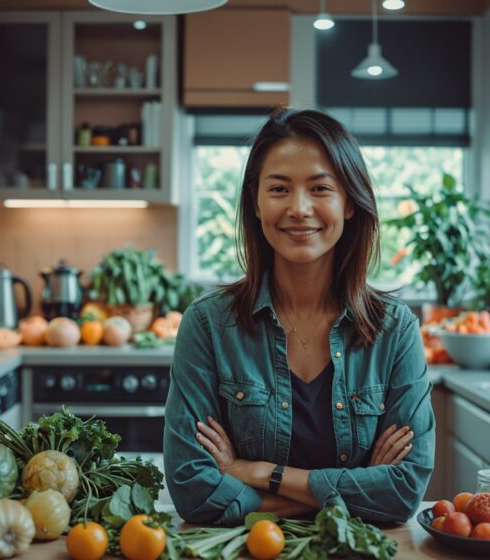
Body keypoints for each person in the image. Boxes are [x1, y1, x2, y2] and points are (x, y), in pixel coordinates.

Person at [163, 108, 435, 526]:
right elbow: (192, 492)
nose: (299, 208)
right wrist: (358, 486)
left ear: (348, 203)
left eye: (320, 188)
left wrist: (256, 474)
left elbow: (401, 495)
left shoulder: (395, 330)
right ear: (256, 202)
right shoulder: (207, 325)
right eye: (279, 189)